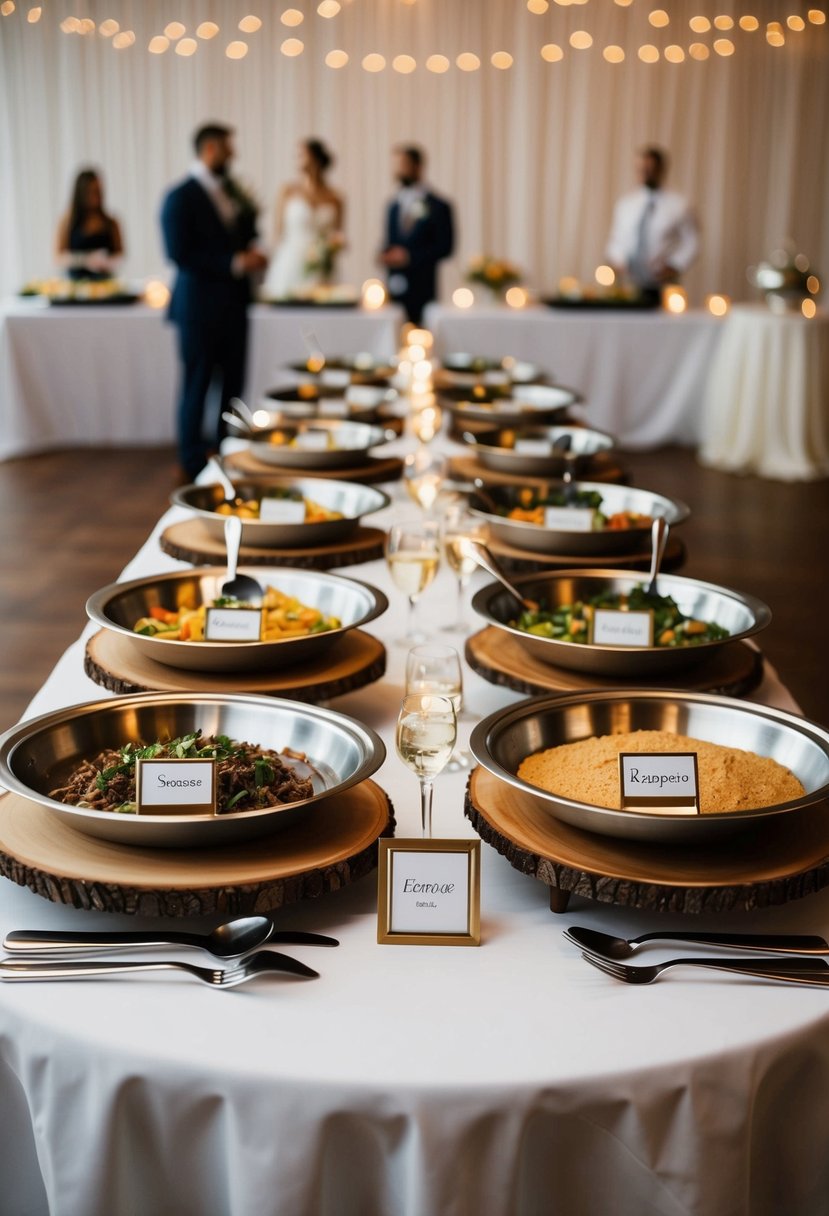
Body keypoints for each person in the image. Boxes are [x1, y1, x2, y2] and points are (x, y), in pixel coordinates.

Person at [160, 123, 268, 482]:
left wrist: (253, 256)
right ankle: (192, 461)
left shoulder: (232, 194)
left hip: (235, 307)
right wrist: (235, 263)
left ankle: (227, 452)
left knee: (233, 386)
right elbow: (180, 254)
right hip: (197, 310)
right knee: (197, 385)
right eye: (226, 147)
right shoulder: (180, 197)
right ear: (209, 149)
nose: (232, 154)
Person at [605, 146, 699, 297]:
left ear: (661, 169)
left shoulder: (679, 205)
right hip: (629, 282)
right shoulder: (626, 204)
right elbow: (616, 239)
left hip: (663, 282)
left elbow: (691, 242)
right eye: (641, 169)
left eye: (650, 168)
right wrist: (618, 261)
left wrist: (674, 266)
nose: (645, 173)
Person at [379, 145, 454, 325]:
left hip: (423, 288)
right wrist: (385, 254)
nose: (398, 170)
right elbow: (390, 241)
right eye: (396, 165)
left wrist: (410, 257)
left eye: (403, 164)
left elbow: (446, 247)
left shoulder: (439, 206)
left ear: (418, 166)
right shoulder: (393, 205)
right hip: (394, 287)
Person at [263, 138, 345, 300]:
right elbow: (278, 232)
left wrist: (330, 250)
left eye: (301, 155)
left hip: (322, 265)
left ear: (315, 159)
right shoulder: (287, 191)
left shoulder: (336, 198)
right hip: (290, 261)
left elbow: (338, 235)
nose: (297, 160)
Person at [55, 168, 124, 280]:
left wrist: (107, 262)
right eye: (92, 192)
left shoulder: (111, 222)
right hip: (76, 286)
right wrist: (86, 260)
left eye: (99, 191)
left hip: (106, 284)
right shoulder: (67, 222)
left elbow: (120, 254)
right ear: (81, 193)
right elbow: (58, 257)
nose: (96, 197)